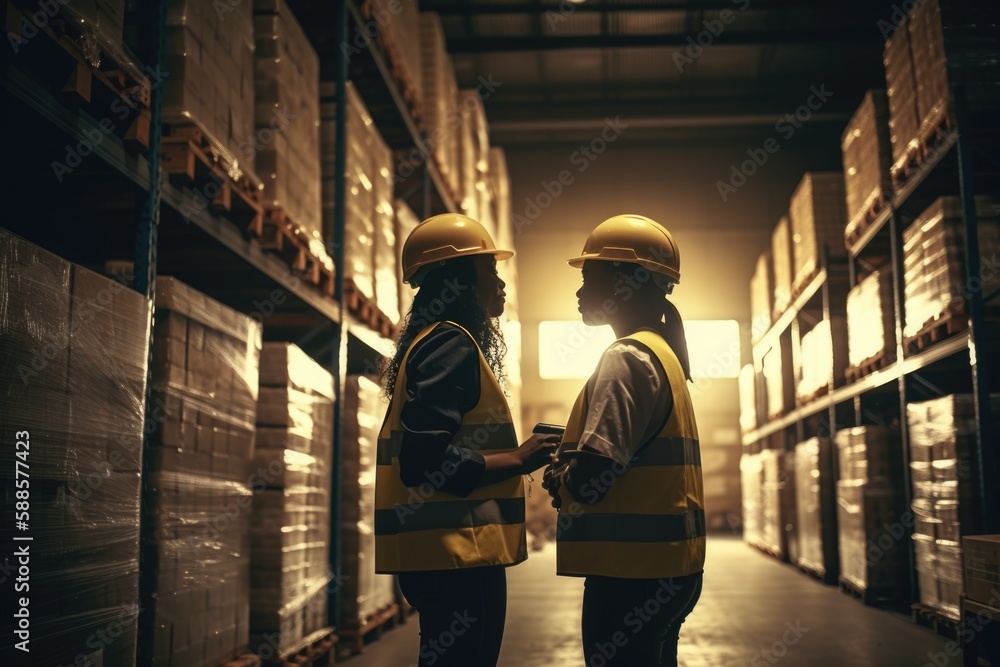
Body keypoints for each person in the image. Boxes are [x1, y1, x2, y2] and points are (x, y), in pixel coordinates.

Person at [375, 213, 559, 667]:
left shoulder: (433, 341)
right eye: (489, 271)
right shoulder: (450, 345)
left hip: (447, 558)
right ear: (458, 279)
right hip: (456, 558)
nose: (500, 284)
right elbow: (422, 462)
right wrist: (518, 459)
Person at [543, 214, 705, 667]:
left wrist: (560, 478)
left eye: (588, 276)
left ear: (624, 282)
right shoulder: (663, 353)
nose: (579, 291)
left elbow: (597, 468)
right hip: (673, 569)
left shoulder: (627, 358)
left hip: (631, 574)